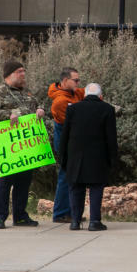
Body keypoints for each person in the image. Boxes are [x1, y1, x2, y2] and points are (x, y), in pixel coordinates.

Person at [0, 60, 47, 229]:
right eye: (20, 71)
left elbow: (37, 105)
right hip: (6, 146)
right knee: (4, 182)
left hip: (25, 147)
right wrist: (7, 114)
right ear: (10, 74)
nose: (23, 74)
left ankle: (20, 216)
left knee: (23, 182)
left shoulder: (27, 93)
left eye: (24, 71)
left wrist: (40, 109)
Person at [57, 82, 118, 231]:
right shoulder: (107, 109)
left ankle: (75, 221)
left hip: (75, 156)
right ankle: (94, 221)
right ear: (101, 96)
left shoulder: (73, 109)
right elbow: (111, 137)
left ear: (84, 95)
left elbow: (65, 135)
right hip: (98, 157)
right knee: (96, 188)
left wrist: (62, 156)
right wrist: (113, 159)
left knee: (76, 188)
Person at [46, 67, 84, 224]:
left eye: (78, 80)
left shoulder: (74, 93)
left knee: (70, 176)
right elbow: (74, 124)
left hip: (71, 140)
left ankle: (69, 212)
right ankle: (61, 213)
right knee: (65, 175)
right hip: (65, 141)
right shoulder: (60, 101)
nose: (78, 83)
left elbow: (91, 95)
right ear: (65, 81)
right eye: (75, 80)